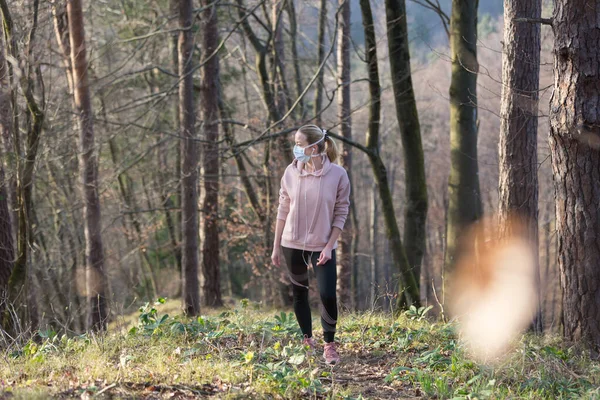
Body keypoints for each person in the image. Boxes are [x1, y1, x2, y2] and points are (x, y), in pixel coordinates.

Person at [271, 124, 351, 365]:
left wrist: (329, 246)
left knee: (327, 294)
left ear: (314, 147)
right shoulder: (290, 172)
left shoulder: (338, 175)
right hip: (291, 244)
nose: (295, 148)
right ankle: (307, 339)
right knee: (299, 294)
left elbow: (341, 212)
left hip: (322, 247)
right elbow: (282, 209)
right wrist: (276, 246)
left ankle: (329, 345)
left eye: (299, 143)